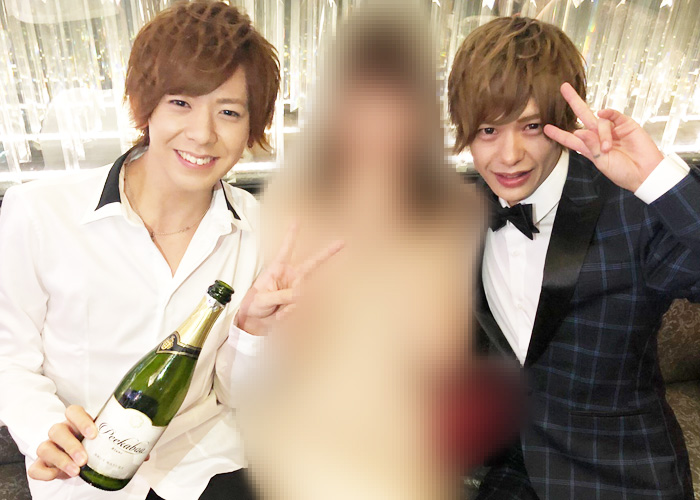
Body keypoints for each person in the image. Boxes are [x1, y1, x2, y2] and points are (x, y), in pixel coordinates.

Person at [0, 2, 340, 499]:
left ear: (252, 127)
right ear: (146, 106)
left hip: (207, 468)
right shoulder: (40, 212)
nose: (202, 134)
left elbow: (237, 396)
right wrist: (44, 430)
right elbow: (9, 358)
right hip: (82, 476)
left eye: (229, 112)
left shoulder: (260, 228)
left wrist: (252, 329)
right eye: (181, 103)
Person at [448, 16, 699, 500]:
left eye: (531, 126)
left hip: (619, 474)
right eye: (487, 129)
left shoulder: (633, 209)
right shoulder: (459, 213)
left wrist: (658, 180)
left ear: (562, 122)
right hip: (510, 468)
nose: (509, 155)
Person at [237, 6, 481, 499]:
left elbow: (443, 357)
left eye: (394, 107)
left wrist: (387, 247)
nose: (377, 127)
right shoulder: (292, 200)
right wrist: (282, 318)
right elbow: (277, 360)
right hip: (303, 441)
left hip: (407, 447)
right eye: (361, 105)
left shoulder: (455, 208)